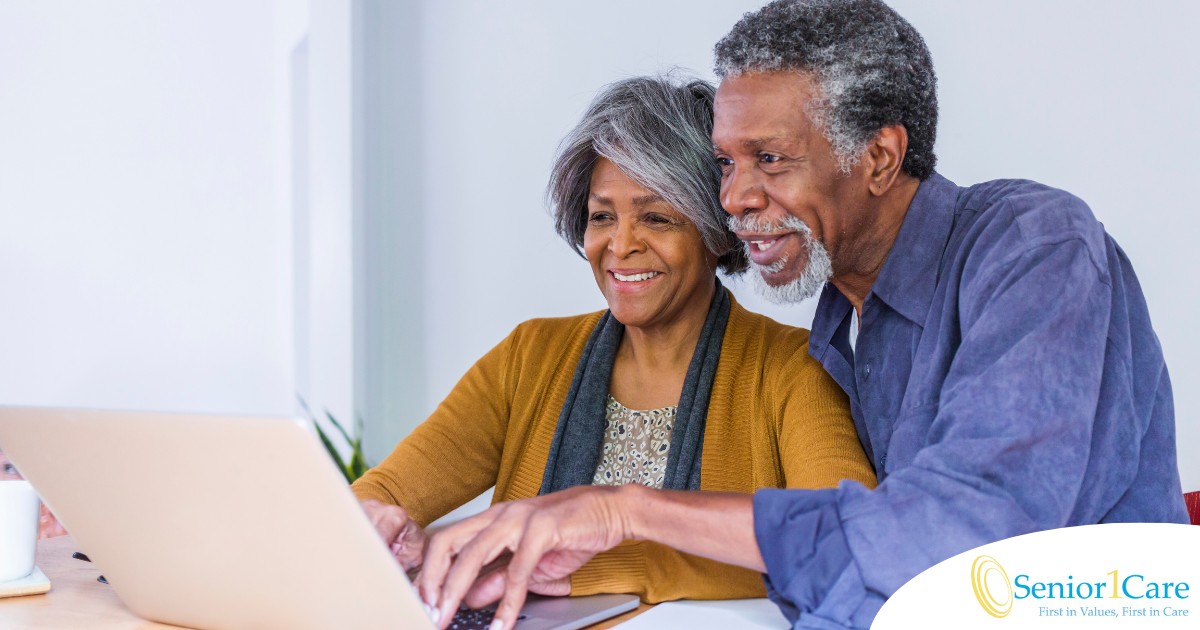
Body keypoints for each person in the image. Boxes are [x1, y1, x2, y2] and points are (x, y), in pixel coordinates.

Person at [414, 2, 1189, 629]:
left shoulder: (1035, 248)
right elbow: (852, 570)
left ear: (880, 158)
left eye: (770, 159)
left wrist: (627, 512)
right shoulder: (846, 322)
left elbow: (957, 546)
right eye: (726, 163)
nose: (733, 198)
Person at [351, 75, 875, 608]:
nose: (620, 245)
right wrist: (380, 524)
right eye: (602, 217)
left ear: (717, 230)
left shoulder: (793, 370)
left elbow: (842, 543)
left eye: (655, 217)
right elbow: (381, 494)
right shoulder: (529, 357)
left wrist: (578, 566)